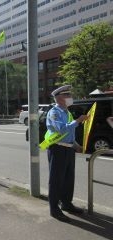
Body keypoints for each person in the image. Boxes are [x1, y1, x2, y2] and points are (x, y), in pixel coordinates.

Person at [44, 85, 89, 222]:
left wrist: (76, 145)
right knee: (56, 180)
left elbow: (69, 133)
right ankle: (54, 209)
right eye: (67, 95)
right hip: (57, 149)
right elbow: (61, 129)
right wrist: (78, 121)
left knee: (68, 179)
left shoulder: (67, 112)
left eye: (70, 95)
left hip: (68, 149)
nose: (70, 97)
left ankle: (66, 204)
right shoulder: (54, 112)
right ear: (59, 98)